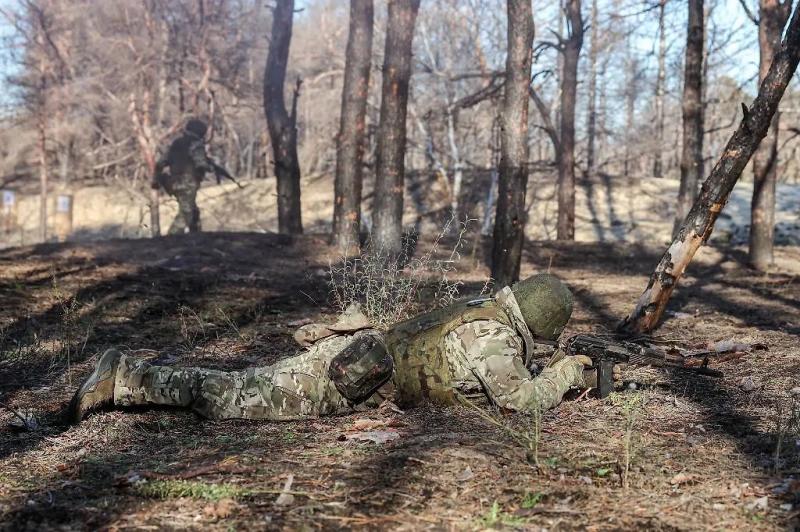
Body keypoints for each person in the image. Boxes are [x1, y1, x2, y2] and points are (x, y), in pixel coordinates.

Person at [70, 273, 593, 423]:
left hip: (353, 356)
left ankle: (132, 379)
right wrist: (567, 372)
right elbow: (519, 401)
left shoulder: (483, 309)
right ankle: (127, 377)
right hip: (346, 380)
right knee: (230, 396)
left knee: (243, 387)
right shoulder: (496, 338)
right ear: (540, 324)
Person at [153, 119, 234, 235]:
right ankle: (170, 239)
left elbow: (160, 163)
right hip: (188, 183)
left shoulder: (176, 143)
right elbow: (200, 164)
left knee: (193, 211)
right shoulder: (196, 144)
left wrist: (155, 180)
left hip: (172, 182)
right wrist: (210, 167)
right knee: (185, 214)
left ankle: (195, 237)